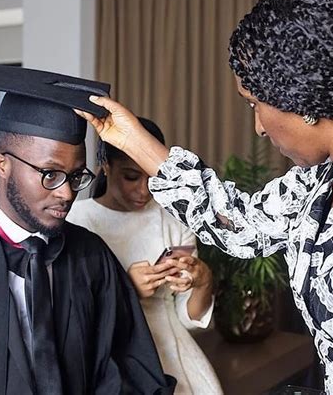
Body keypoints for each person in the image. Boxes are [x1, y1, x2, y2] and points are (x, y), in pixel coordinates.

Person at [75, 0, 333, 394]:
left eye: (254, 104)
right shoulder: (318, 179)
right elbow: (242, 225)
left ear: (305, 102)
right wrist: (134, 140)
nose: (259, 127)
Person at [0, 65, 176, 395]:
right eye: (50, 174)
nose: (66, 193)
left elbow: (129, 367)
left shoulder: (90, 255)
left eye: (76, 176)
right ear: (2, 164)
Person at [67, 118, 223, 395]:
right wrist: (126, 291)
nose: (143, 190)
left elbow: (189, 320)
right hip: (105, 361)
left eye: (153, 178)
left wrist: (203, 282)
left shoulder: (174, 223)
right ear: (106, 165)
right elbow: (67, 315)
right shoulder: (77, 222)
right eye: (131, 177)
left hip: (174, 355)